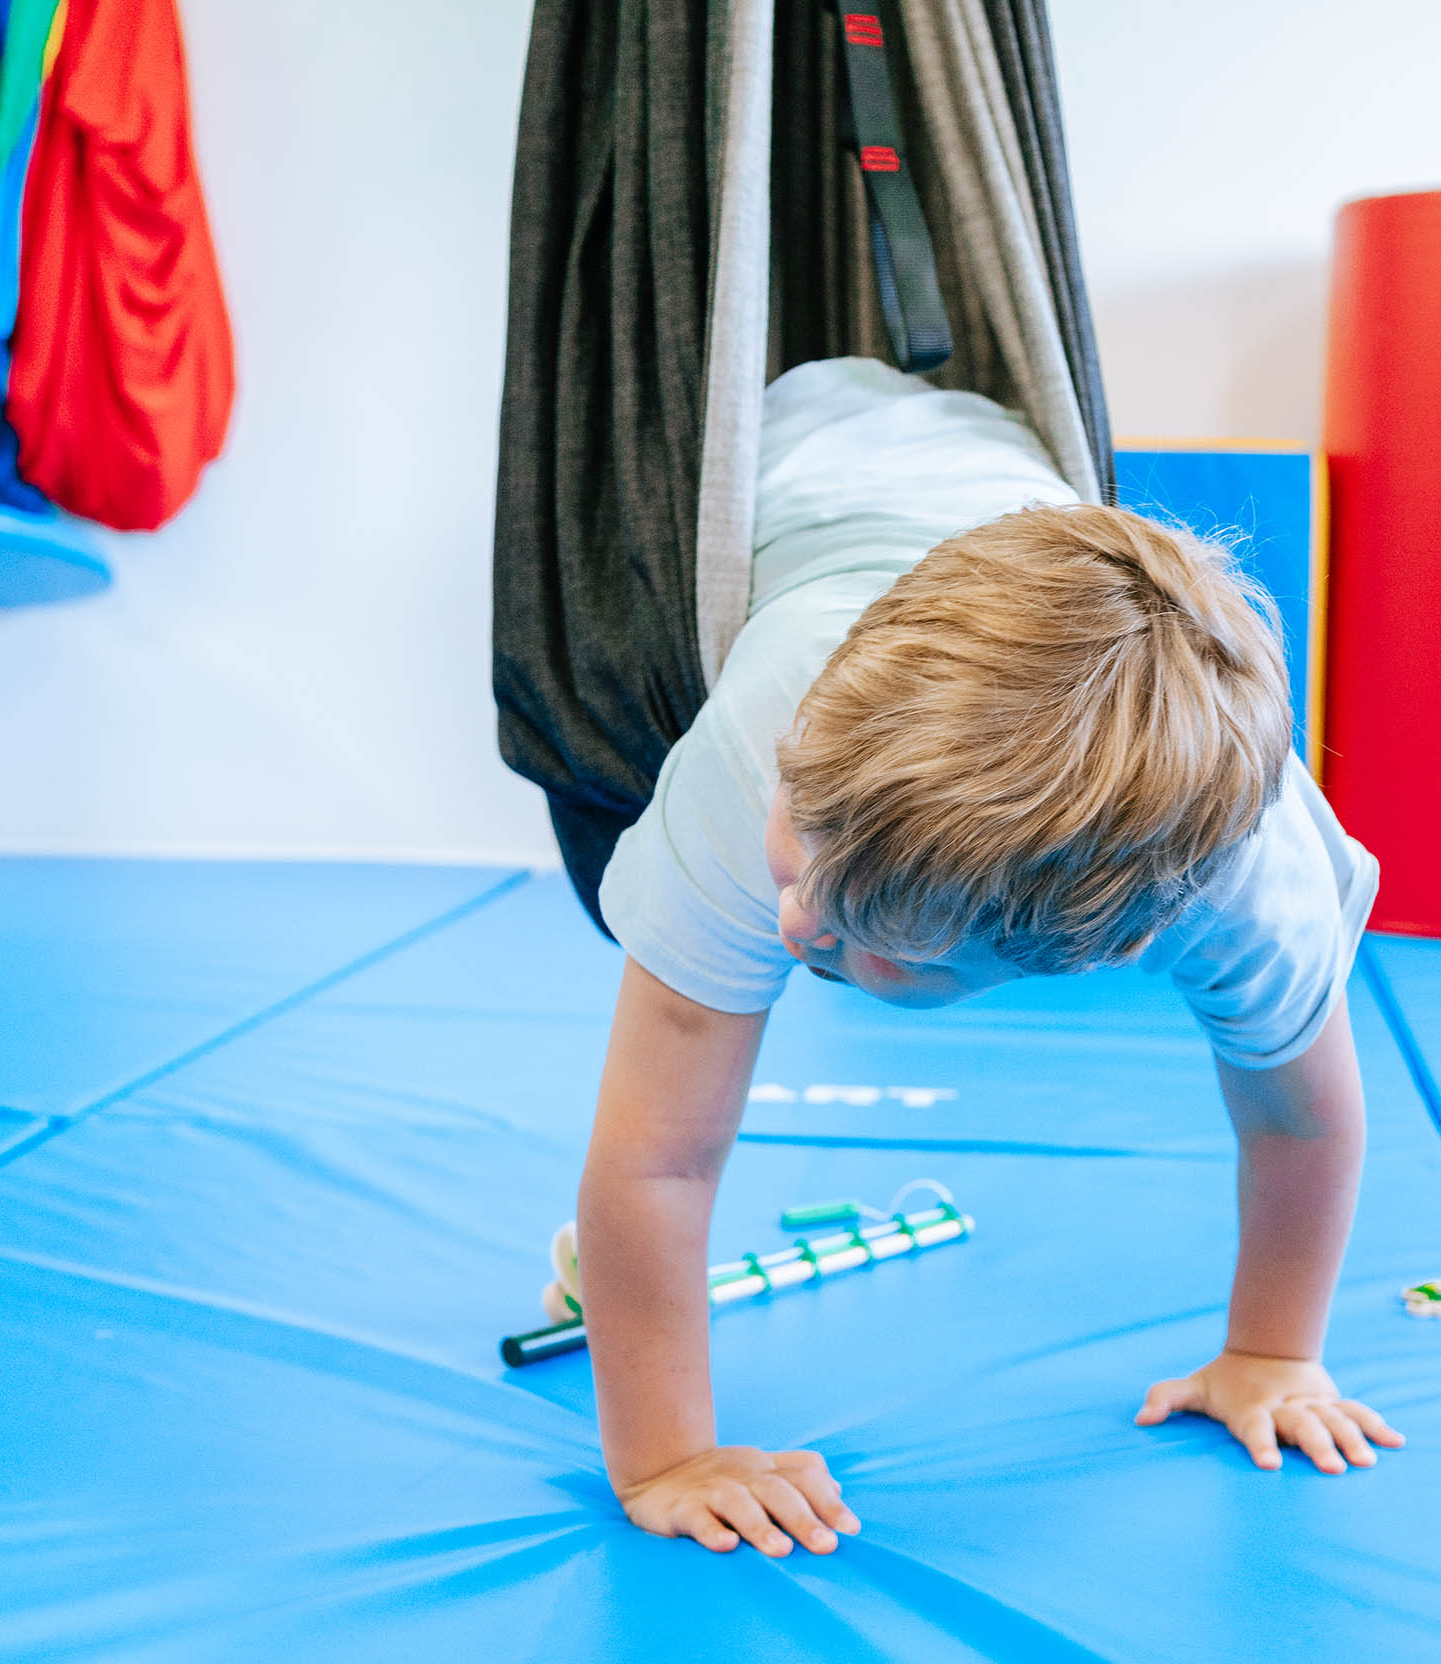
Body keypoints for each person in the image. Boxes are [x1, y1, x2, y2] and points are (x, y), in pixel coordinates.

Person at [581, 357, 1392, 1557]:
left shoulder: (1245, 891)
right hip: (789, 454)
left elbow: (1303, 1121)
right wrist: (668, 1454)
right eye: (802, 864)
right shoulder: (776, 741)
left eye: (877, 949)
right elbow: (659, 1153)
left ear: (1089, 958)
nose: (802, 927)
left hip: (990, 463)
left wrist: (1272, 1351)